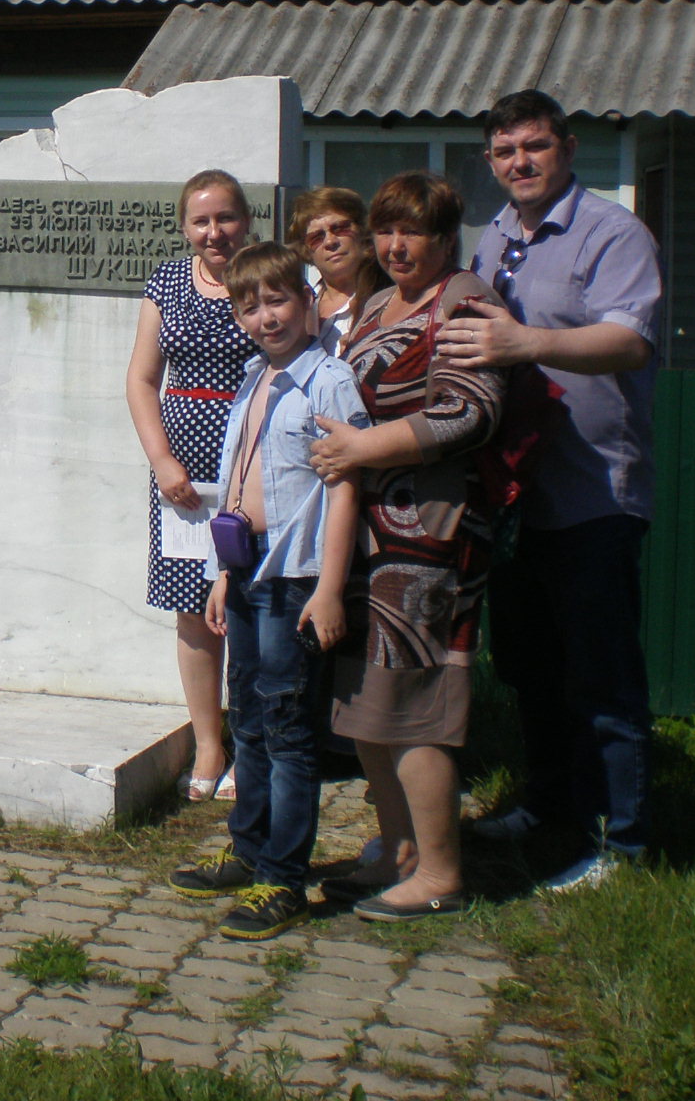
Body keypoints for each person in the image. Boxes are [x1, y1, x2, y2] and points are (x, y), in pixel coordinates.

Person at [440, 89, 661, 893]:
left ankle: (624, 845)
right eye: (504, 152)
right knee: (532, 664)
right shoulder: (495, 235)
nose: (519, 163)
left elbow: (630, 341)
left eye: (533, 147)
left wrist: (525, 341)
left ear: (566, 149)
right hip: (517, 493)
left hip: (594, 487)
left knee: (601, 674)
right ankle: (550, 806)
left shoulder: (613, 232)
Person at [308, 172, 506, 921]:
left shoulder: (464, 302)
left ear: (445, 238)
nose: (394, 246)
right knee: (368, 700)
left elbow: (469, 412)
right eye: (385, 230)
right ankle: (399, 849)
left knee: (418, 700)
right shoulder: (382, 304)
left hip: (429, 532)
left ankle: (443, 873)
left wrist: (363, 447)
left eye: (412, 232)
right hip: (367, 535)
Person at [168, 243, 366, 939]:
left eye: (277, 300)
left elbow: (345, 486)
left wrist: (332, 589)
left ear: (308, 300)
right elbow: (240, 485)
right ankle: (249, 848)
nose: (264, 317)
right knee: (246, 717)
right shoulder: (255, 379)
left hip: (297, 580)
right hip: (248, 573)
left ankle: (284, 876)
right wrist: (224, 573)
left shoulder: (328, 382)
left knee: (286, 731)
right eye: (249, 306)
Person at [125, 169, 258, 801]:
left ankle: (256, 744)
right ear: (185, 226)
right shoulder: (168, 282)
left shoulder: (271, 278)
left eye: (225, 217)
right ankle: (209, 741)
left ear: (247, 219)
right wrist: (162, 463)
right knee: (193, 610)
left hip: (255, 462)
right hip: (182, 474)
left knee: (255, 605)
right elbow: (142, 379)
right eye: (201, 220)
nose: (215, 231)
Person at [285, 186, 386, 356]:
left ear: (362, 230)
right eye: (316, 237)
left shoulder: (387, 299)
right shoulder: (299, 307)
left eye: (339, 229)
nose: (330, 242)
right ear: (306, 249)